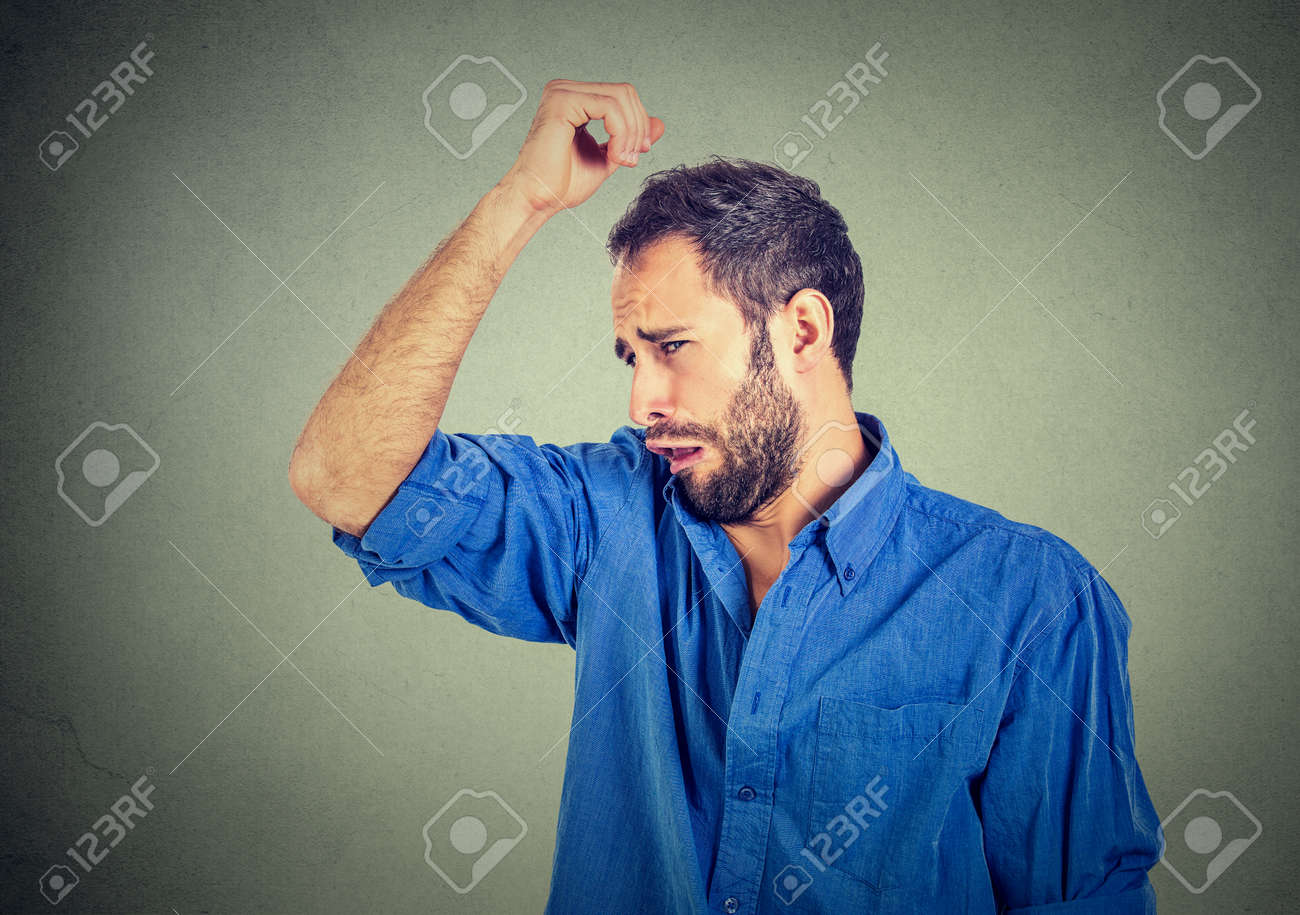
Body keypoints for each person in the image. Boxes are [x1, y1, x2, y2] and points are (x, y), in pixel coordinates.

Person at [289, 79, 1163, 913]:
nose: (642, 403)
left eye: (672, 345)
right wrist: (521, 199)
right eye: (632, 357)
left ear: (802, 330)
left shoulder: (1033, 602)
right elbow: (345, 477)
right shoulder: (605, 518)